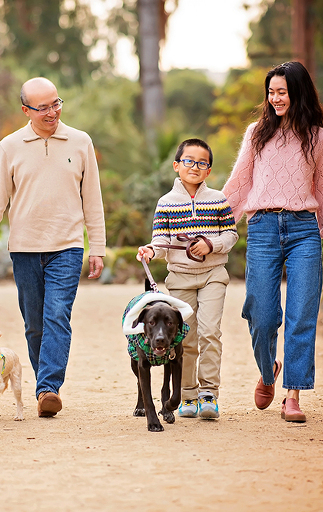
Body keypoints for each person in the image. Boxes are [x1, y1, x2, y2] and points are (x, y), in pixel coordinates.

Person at [0, 77, 106, 418]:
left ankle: (48, 388)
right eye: (42, 107)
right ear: (25, 110)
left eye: (56, 104)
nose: (51, 113)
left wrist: (98, 247)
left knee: (57, 314)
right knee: (34, 324)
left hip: (68, 246)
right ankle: (45, 382)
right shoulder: (10, 146)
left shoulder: (80, 142)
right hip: (25, 249)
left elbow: (93, 199)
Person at [222, 61, 323, 423]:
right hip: (261, 228)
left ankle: (292, 395)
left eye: (282, 91)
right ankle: (267, 370)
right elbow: (239, 184)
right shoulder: (256, 133)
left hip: (304, 232)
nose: (275, 98)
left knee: (301, 317)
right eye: (271, 92)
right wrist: (210, 223)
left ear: (298, 92)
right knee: (261, 315)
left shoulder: (320, 139)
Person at [136, 138, 238, 420]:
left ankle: (209, 394)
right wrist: (151, 250)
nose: (195, 166)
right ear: (177, 166)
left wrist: (210, 244)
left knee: (210, 332)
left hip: (213, 275)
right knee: (186, 337)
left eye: (202, 163)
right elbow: (161, 240)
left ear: (209, 170)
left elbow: (231, 235)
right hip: (180, 278)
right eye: (189, 161)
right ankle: (188, 395)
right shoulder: (166, 203)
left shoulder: (218, 199)